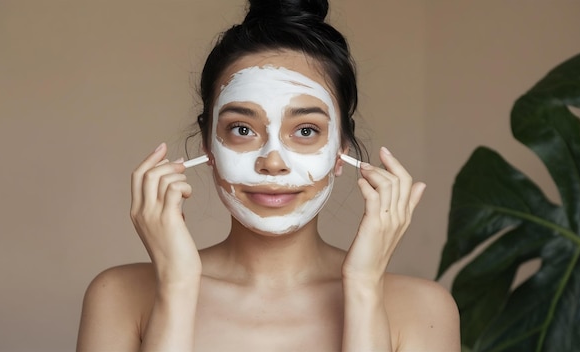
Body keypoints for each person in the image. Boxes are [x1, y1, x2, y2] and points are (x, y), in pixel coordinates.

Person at [76, 0, 460, 351]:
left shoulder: (422, 309)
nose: (272, 162)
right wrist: (176, 286)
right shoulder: (120, 296)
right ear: (209, 146)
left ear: (341, 150)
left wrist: (364, 289)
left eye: (306, 130)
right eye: (242, 129)